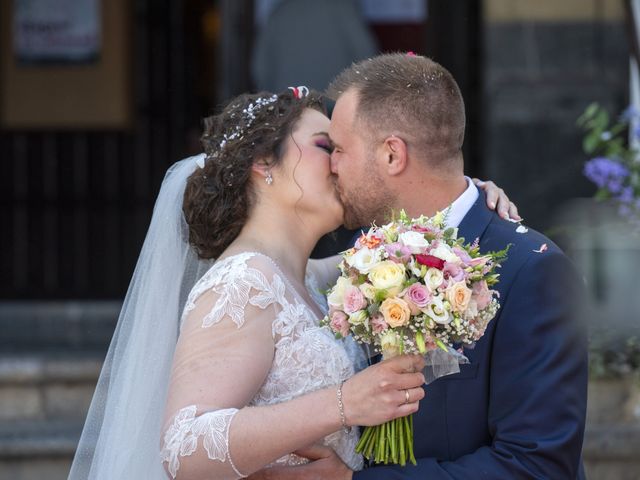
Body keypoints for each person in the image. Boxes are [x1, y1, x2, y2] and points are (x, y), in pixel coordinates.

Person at [67, 88, 514, 480]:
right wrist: (345, 402)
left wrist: (463, 195)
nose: (341, 162)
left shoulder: (315, 279)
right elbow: (185, 445)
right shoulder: (242, 283)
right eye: (326, 146)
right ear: (265, 163)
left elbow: (411, 246)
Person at [260, 54, 589, 479]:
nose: (331, 165)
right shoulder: (362, 254)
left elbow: (536, 466)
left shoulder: (530, 272)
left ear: (393, 155)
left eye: (339, 149)